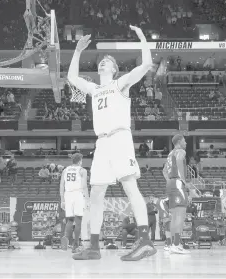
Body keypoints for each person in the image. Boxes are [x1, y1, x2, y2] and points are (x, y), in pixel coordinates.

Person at [67, 25, 156, 261]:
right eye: (100, 61)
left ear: (115, 69)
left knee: (129, 186)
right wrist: (77, 51)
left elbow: (146, 64)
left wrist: (143, 38)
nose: (102, 63)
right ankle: (94, 247)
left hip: (119, 138)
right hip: (102, 144)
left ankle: (145, 241)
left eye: (107, 61)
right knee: (96, 193)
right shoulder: (95, 89)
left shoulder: (121, 84)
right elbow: (72, 78)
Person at [163, 134, 190, 254]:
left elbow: (164, 171)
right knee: (180, 214)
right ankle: (176, 244)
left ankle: (173, 244)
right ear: (179, 142)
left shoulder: (170, 154)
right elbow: (179, 160)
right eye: (184, 140)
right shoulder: (180, 151)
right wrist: (182, 180)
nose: (186, 143)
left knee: (174, 216)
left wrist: (170, 181)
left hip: (170, 184)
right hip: (178, 183)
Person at [60, 153, 89, 253]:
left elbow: (61, 185)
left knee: (70, 220)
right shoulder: (82, 170)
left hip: (68, 195)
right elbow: (84, 186)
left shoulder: (65, 170)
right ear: (80, 160)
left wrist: (62, 200)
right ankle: (75, 245)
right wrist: (87, 199)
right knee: (78, 220)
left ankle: (65, 237)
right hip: (78, 194)